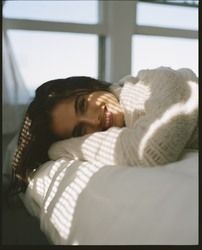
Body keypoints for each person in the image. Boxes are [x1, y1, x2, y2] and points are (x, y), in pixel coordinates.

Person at [10, 66, 198, 195]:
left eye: (82, 105)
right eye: (79, 131)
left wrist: (58, 149)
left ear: (89, 87)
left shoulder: (157, 81)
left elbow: (150, 151)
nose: (94, 120)